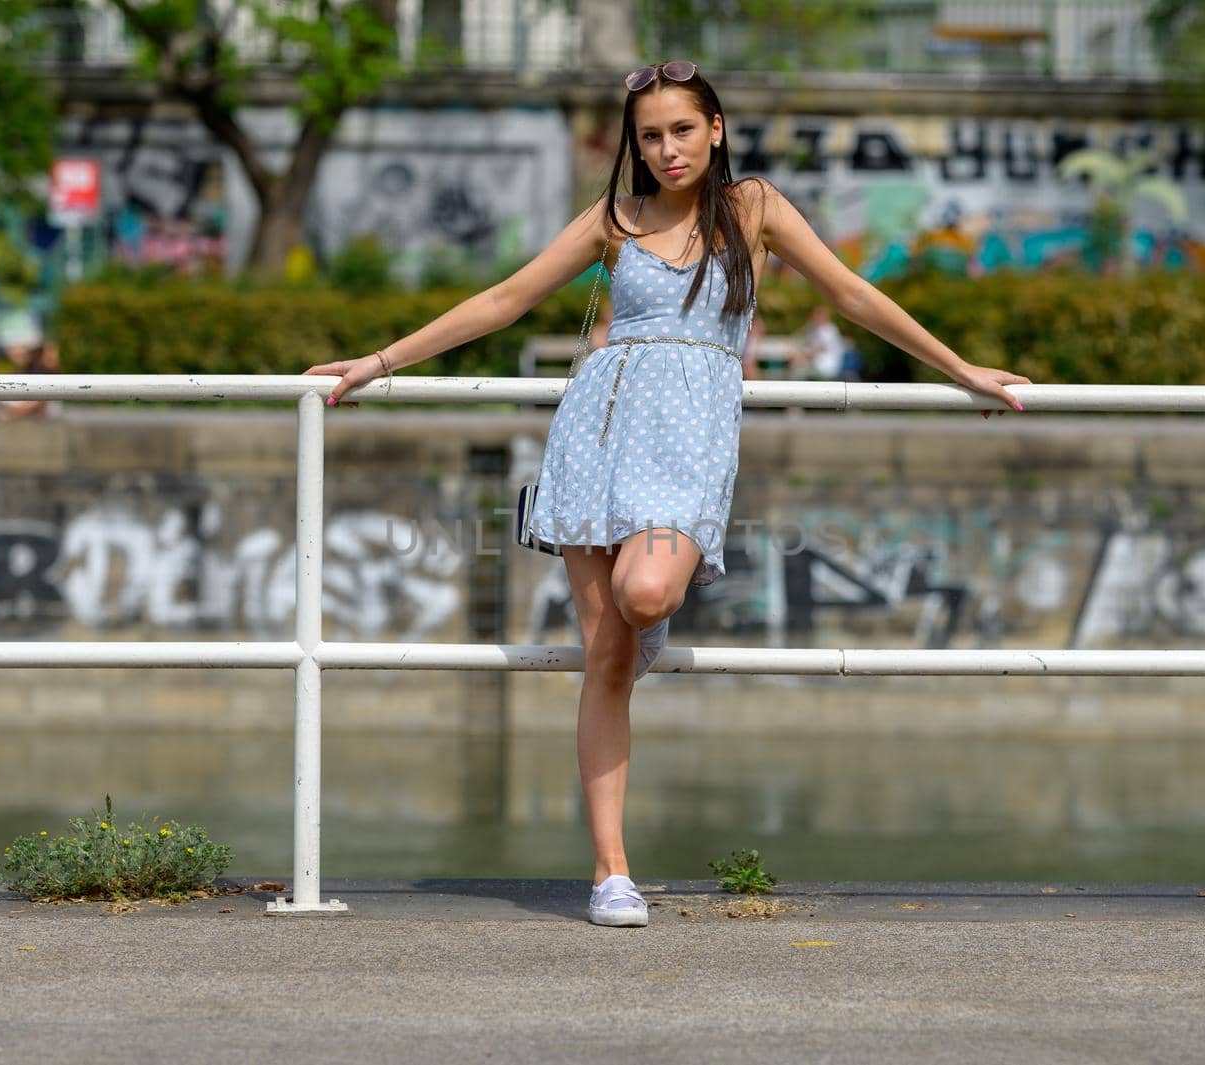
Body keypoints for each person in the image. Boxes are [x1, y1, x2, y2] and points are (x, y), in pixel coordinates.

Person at [304, 60, 1028, 928]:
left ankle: (646, 624)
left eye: (682, 130)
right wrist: (375, 362)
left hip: (687, 447)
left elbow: (850, 292)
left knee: (645, 594)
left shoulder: (752, 208)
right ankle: (611, 871)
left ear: (714, 129)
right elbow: (504, 298)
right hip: (593, 436)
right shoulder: (615, 218)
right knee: (605, 660)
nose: (666, 149)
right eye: (649, 136)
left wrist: (960, 367)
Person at [790, 304, 861, 382]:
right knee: (797, 364)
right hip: (820, 365)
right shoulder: (818, 329)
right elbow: (800, 336)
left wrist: (804, 357)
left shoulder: (828, 330)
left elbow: (820, 349)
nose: (813, 318)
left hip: (827, 367)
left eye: (816, 316)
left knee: (798, 368)